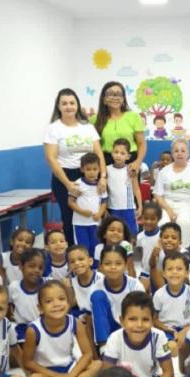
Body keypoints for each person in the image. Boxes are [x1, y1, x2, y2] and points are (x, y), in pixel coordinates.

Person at [102, 291, 184, 377]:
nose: (139, 325)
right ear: (122, 321)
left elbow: (168, 372)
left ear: (152, 321)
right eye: (132, 319)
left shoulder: (160, 337)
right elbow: (106, 374)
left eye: (145, 319)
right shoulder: (114, 338)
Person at [24, 280, 101, 377]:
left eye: (61, 299)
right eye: (49, 301)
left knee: (97, 365)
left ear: (68, 302)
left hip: (69, 368)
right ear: (40, 308)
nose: (56, 304)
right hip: (46, 373)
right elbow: (28, 362)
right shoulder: (33, 330)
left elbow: (87, 354)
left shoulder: (75, 322)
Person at [44, 88, 106, 244]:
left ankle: (95, 253)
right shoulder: (53, 128)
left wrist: (102, 177)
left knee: (95, 213)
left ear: (77, 105)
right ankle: (74, 253)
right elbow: (51, 159)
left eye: (72, 103)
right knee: (69, 216)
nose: (68, 106)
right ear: (58, 106)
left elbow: (99, 154)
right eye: (64, 103)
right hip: (65, 176)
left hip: (90, 175)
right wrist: (68, 184)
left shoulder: (87, 127)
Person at [154, 139, 190, 250]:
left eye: (183, 151)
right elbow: (158, 195)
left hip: (188, 205)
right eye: (176, 151)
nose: (179, 153)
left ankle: (183, 251)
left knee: (184, 222)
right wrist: (169, 210)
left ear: (188, 153)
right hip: (167, 205)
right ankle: (164, 252)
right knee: (163, 223)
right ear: (172, 153)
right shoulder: (164, 172)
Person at [90, 244, 145, 346]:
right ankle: (104, 347)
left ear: (125, 266)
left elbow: (142, 314)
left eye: (118, 263)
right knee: (97, 296)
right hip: (109, 329)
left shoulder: (135, 285)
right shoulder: (96, 287)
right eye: (107, 263)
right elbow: (97, 319)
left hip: (132, 327)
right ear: (101, 267)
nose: (113, 267)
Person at [153, 251, 190, 356]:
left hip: (187, 329)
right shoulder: (159, 294)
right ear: (163, 273)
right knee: (170, 347)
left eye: (179, 269)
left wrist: (184, 332)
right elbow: (154, 320)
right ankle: (162, 349)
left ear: (187, 272)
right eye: (170, 269)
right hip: (167, 331)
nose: (174, 272)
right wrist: (168, 329)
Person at [92, 81, 146, 175]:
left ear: (123, 99)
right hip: (105, 162)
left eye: (119, 94)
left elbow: (141, 143)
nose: (115, 97)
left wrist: (137, 163)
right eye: (110, 94)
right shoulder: (94, 119)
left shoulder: (134, 116)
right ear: (104, 99)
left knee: (130, 189)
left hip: (130, 162)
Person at [68, 152, 107, 259]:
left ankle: (94, 269)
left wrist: (99, 214)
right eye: (88, 169)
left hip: (95, 224)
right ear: (82, 169)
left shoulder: (101, 185)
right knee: (83, 249)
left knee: (95, 248)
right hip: (80, 224)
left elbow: (103, 202)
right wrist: (82, 212)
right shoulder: (78, 184)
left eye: (95, 169)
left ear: (99, 169)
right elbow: (70, 202)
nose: (91, 172)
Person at [105, 138, 143, 237]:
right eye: (116, 152)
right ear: (112, 153)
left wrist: (140, 206)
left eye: (122, 153)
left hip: (129, 209)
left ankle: (131, 252)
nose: (118, 155)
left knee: (131, 235)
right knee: (115, 235)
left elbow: (136, 189)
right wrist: (104, 210)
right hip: (113, 208)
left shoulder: (130, 169)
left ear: (128, 156)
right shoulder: (107, 170)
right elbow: (104, 192)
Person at [8, 248, 46, 342]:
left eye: (40, 268)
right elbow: (9, 305)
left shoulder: (48, 284)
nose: (37, 270)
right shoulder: (14, 287)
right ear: (21, 266)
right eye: (32, 266)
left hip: (45, 327)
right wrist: (11, 317)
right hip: (22, 330)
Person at [148, 222, 187, 291]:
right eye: (166, 237)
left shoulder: (184, 254)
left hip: (178, 281)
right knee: (153, 268)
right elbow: (151, 266)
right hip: (162, 282)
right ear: (160, 240)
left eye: (174, 238)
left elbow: (185, 276)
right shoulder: (158, 250)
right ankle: (163, 294)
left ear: (180, 242)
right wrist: (153, 255)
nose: (169, 240)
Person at [68, 244, 102, 317]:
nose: (76, 263)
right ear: (69, 266)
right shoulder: (71, 283)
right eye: (72, 261)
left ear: (90, 261)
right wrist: (68, 287)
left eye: (81, 259)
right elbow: (71, 305)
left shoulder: (102, 279)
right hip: (82, 318)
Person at [135, 201, 162, 291]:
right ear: (141, 218)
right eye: (145, 218)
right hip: (145, 272)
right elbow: (137, 261)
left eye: (152, 219)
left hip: (160, 272)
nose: (148, 222)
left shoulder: (162, 235)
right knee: (141, 291)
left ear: (158, 219)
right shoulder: (139, 237)